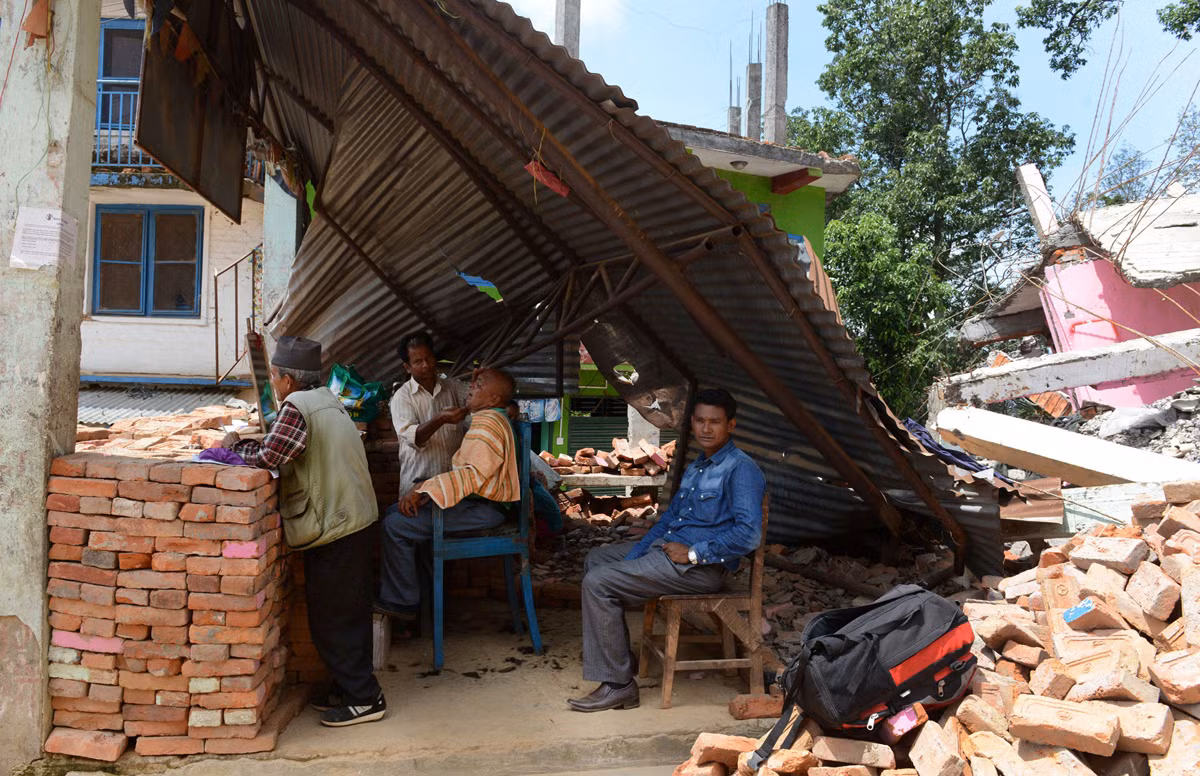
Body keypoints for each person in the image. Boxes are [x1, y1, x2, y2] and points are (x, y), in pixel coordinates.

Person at [568, 388, 765, 712]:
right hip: (668, 552)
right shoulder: (697, 467)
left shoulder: (740, 469)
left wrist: (694, 553)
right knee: (597, 559)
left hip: (699, 569)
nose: (705, 428)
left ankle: (619, 686)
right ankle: (618, 657)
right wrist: (636, 558)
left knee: (599, 583)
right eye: (700, 420)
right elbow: (667, 522)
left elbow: (748, 535)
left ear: (730, 425)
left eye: (714, 422)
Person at [221, 336, 385, 727]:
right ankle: (354, 689)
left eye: (275, 377)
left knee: (333, 617)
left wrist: (232, 447)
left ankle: (364, 699)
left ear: (288, 380)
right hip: (355, 519)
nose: (274, 384)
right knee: (349, 611)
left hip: (337, 524)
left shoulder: (297, 407)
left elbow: (269, 456)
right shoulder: (329, 401)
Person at [376, 369, 521, 625]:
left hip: (485, 510)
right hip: (478, 504)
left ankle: (402, 602)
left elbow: (472, 475)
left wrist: (423, 489)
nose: (472, 387)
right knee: (394, 512)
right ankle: (417, 601)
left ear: (493, 399)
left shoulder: (488, 423)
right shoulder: (489, 418)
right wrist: (426, 489)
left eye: (480, 384)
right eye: (474, 382)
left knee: (395, 525)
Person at [389, 332, 470, 498]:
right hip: (417, 491)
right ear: (408, 367)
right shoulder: (402, 397)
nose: (426, 365)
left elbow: (477, 398)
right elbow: (415, 438)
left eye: (429, 358)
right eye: (418, 361)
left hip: (452, 488)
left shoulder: (453, 387)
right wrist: (441, 419)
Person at [506, 400, 565, 538]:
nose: (512, 420)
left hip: (526, 481)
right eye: (509, 416)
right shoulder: (504, 436)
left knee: (551, 508)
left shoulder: (518, 435)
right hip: (515, 484)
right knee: (544, 508)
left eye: (514, 417)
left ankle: (550, 537)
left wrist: (531, 475)